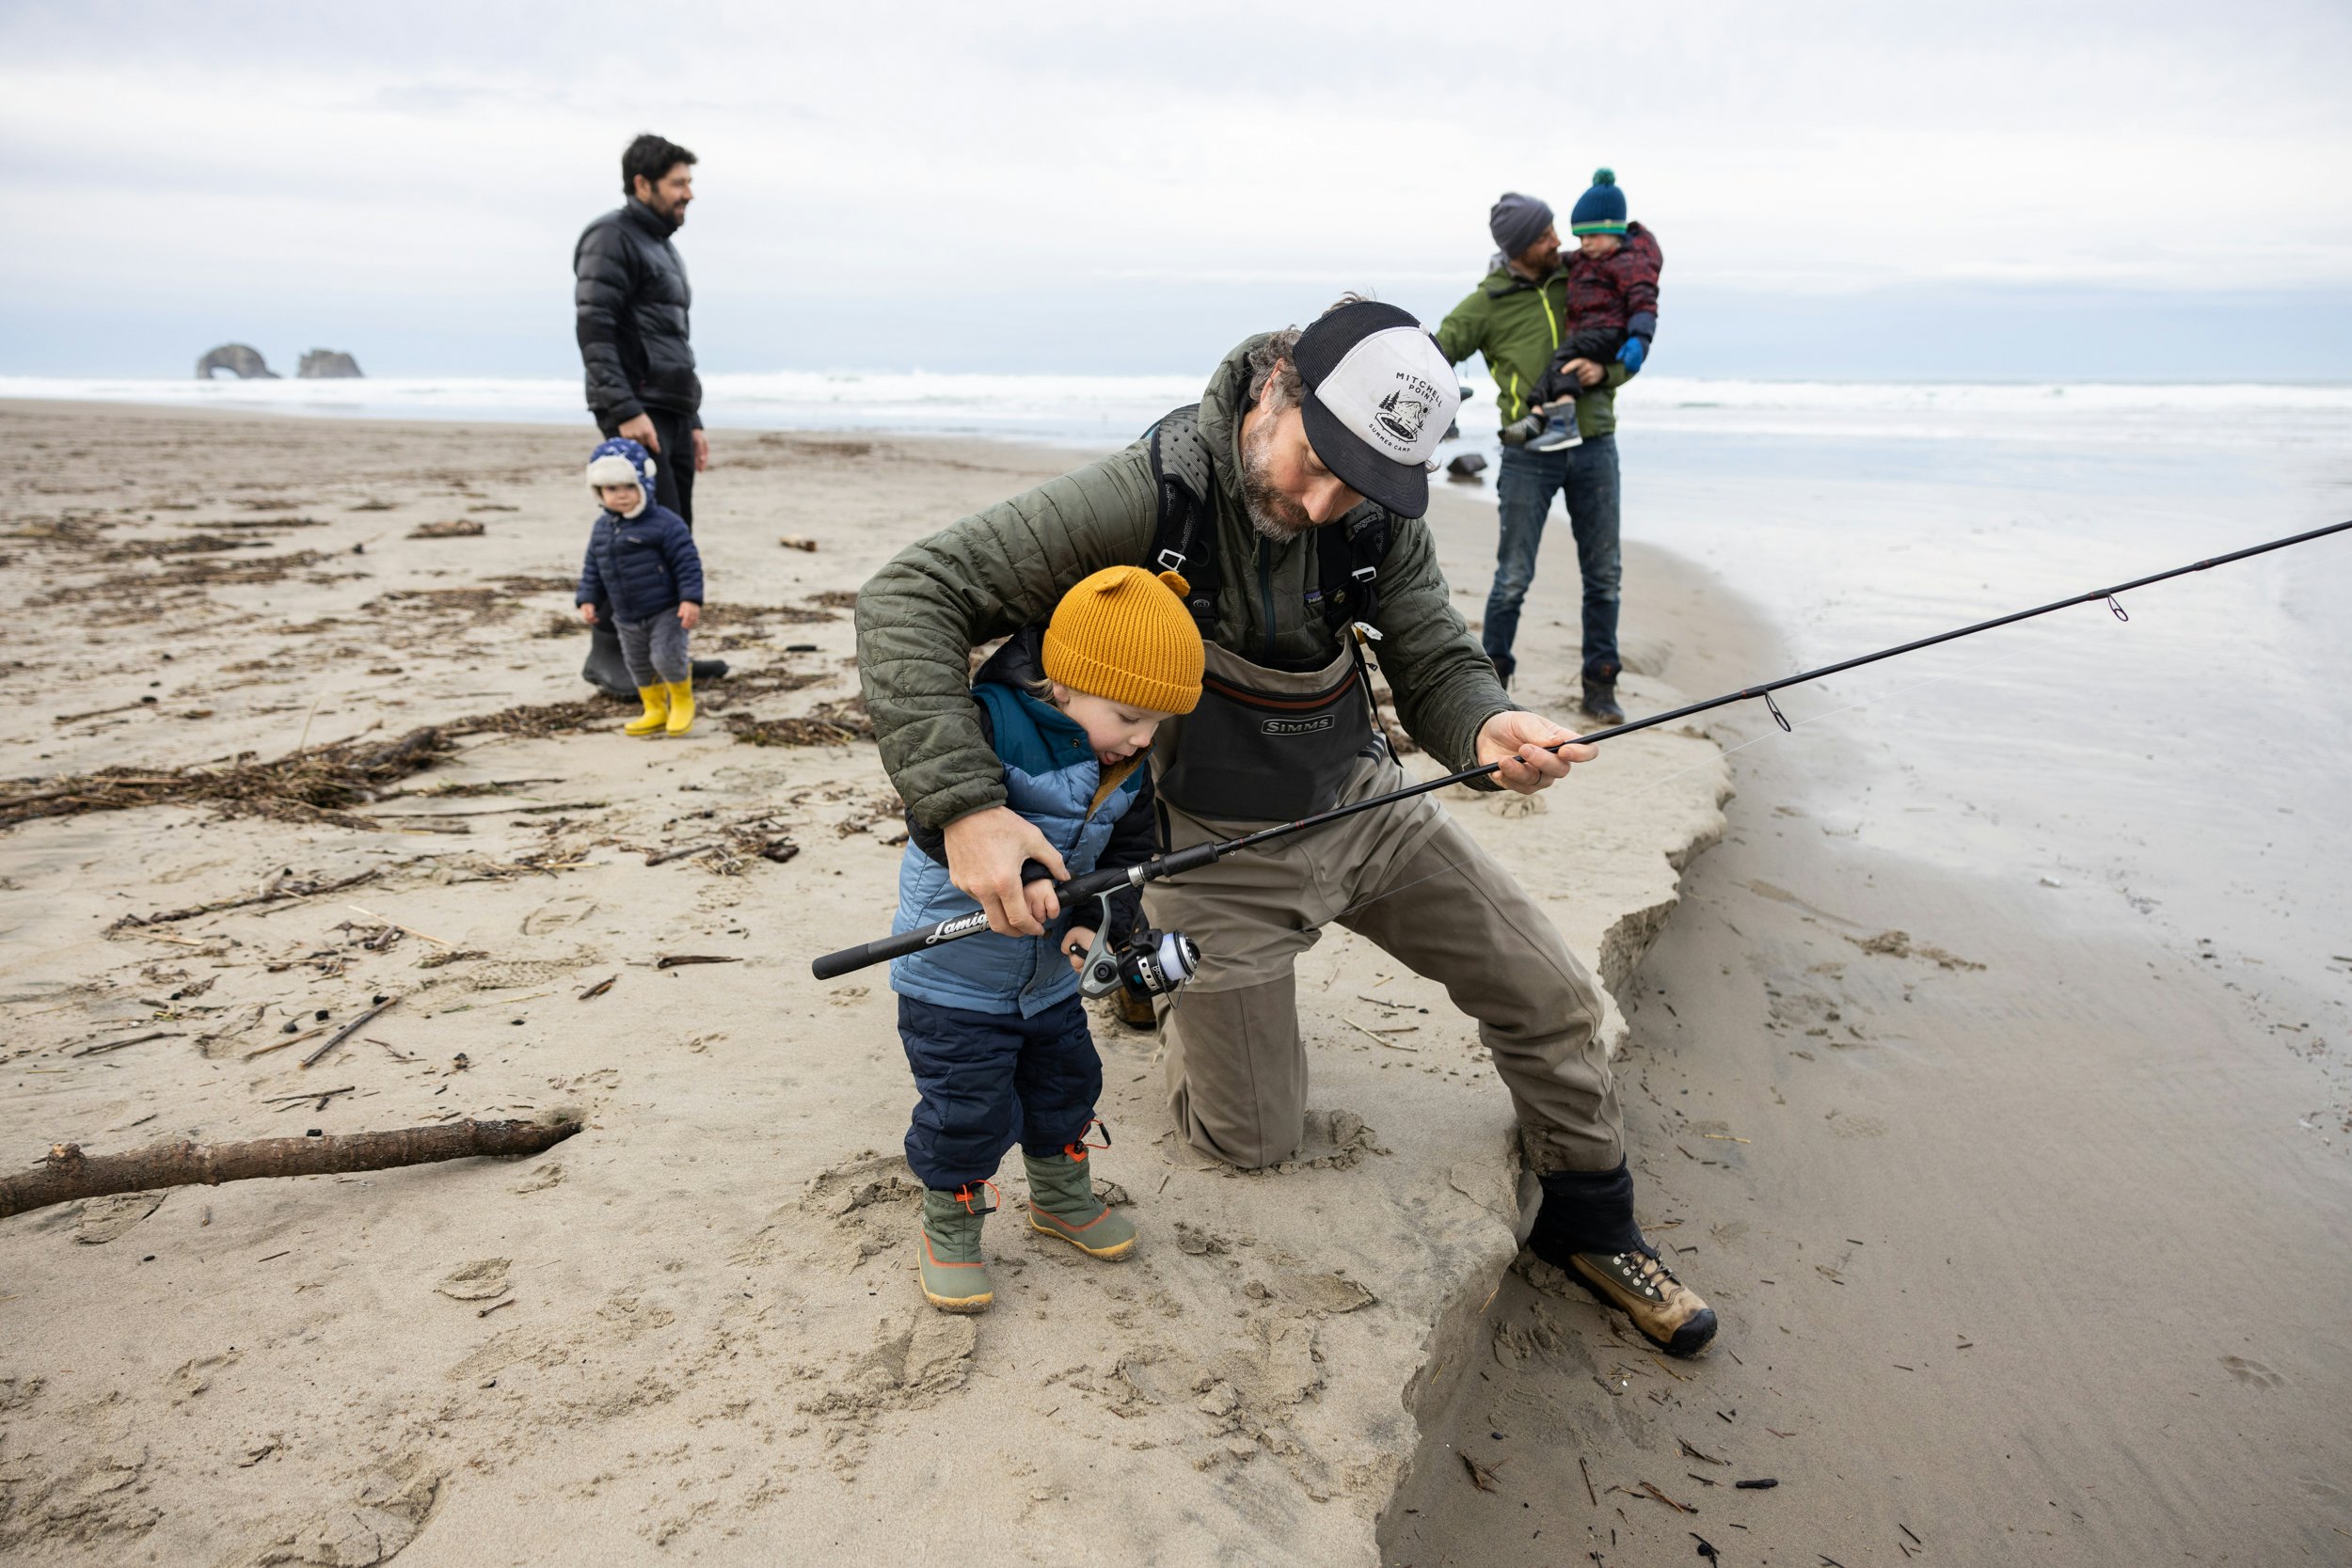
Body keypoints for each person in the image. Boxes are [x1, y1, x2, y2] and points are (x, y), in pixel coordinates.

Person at [856, 299, 1715, 1355]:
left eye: (1358, 481)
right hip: (1214, 856)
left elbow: (1435, 658)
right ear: (1275, 385)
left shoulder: (1374, 511)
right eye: (1317, 460)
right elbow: (910, 595)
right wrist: (967, 810)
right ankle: (1146, 965)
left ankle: (1591, 1220)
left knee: (1553, 995)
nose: (1320, 501)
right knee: (1251, 1140)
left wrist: (1488, 727)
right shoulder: (1148, 491)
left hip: (1363, 809)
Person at [884, 566, 1202, 1313]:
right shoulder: (987, 720)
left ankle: (1059, 1197)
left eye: (1158, 723)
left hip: (1047, 982)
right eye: (1129, 714)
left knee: (1066, 1085)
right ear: (1063, 681)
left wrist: (1098, 926)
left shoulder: (1125, 762)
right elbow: (936, 811)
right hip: (954, 978)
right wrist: (1016, 867)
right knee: (966, 1108)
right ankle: (951, 1230)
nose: (1142, 737)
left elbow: (1126, 860)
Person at [1436, 182, 1635, 723]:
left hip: (1595, 443)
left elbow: (1624, 333)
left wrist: (1607, 370)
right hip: (1529, 454)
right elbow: (1435, 354)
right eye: (1545, 233)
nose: (1557, 238)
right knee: (1513, 577)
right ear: (1519, 245)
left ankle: (1600, 684)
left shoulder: (1581, 276)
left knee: (1605, 574)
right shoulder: (1487, 303)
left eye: (1553, 229)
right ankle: (1493, 687)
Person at [573, 132, 723, 696]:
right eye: (678, 183)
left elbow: (674, 341)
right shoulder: (611, 236)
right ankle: (610, 655)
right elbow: (595, 326)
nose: (689, 194)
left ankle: (666, 655)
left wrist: (695, 418)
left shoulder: (663, 246)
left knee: (671, 533)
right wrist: (624, 408)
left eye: (689, 182)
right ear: (642, 184)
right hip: (637, 409)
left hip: (672, 410)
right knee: (634, 535)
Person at [1524, 170, 1661, 455]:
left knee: (1562, 360)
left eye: (1593, 236)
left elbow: (1644, 302)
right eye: (1580, 236)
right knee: (1556, 367)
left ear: (1615, 233)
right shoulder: (1586, 257)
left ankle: (1563, 427)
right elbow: (1559, 260)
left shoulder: (1630, 263)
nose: (1585, 243)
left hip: (1609, 332)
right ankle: (1536, 416)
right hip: (1587, 333)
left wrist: (1640, 339)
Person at [574, 438, 704, 738]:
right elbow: (593, 566)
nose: (621, 496)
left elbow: (687, 562)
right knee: (639, 665)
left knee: (666, 657)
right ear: (599, 492)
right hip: (626, 614)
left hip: (666, 610)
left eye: (629, 487)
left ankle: (682, 700)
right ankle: (655, 708)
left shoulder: (665, 524)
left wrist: (690, 599)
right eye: (612, 489)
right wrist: (588, 598)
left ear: (644, 484)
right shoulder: (602, 528)